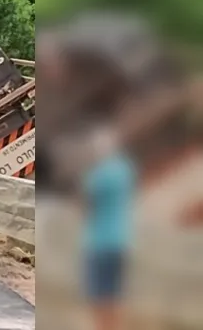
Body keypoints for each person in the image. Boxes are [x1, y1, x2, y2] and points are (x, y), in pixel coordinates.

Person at [82, 127, 135, 330]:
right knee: (115, 293)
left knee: (99, 293)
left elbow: (86, 201)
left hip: (99, 241)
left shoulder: (98, 174)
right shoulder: (125, 170)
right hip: (122, 239)